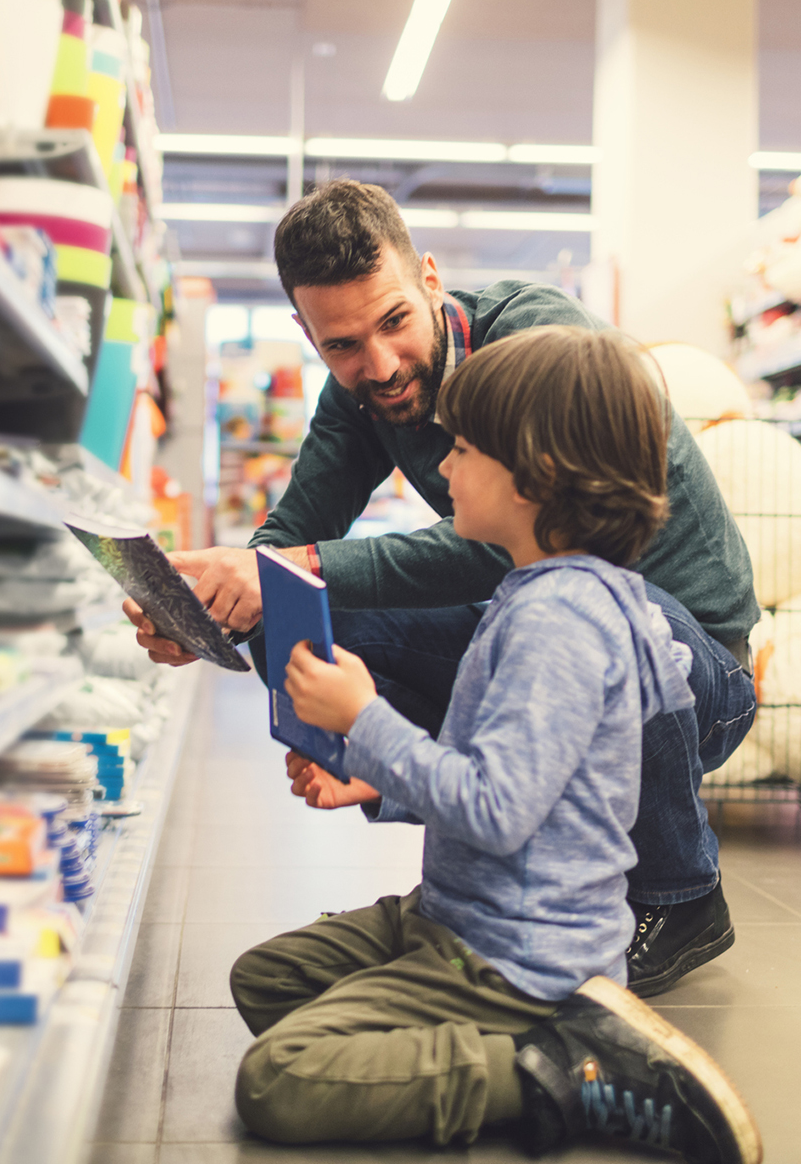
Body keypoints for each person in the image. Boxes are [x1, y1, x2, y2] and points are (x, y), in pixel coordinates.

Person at [127, 179, 759, 996]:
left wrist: (292, 568)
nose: (379, 366)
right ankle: (478, 853)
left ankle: (682, 898)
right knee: (302, 614)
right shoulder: (359, 393)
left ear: (428, 277)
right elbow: (293, 533)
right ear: (307, 334)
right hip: (542, 632)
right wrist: (215, 605)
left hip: (693, 668)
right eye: (342, 345)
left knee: (616, 610)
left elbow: (518, 555)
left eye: (393, 321)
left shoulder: (538, 348)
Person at [228, 327, 760, 1163]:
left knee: (278, 1076)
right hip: (462, 910)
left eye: (466, 449)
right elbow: (522, 777)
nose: (443, 469)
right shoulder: (545, 592)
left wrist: (365, 719)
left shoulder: (561, 620)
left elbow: (499, 808)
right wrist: (377, 783)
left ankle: (563, 1069)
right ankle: (477, 1022)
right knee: (265, 981)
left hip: (513, 949)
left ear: (538, 476)